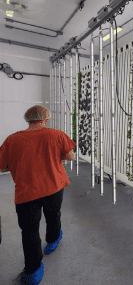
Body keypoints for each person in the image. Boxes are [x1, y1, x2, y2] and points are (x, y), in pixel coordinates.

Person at [0, 105, 76, 285]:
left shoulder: (11, 140)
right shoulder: (57, 135)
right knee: (53, 215)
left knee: (29, 231)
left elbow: (2, 166)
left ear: (28, 120)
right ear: (45, 119)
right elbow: (71, 156)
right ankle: (52, 241)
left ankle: (33, 272)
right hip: (54, 186)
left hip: (26, 193)